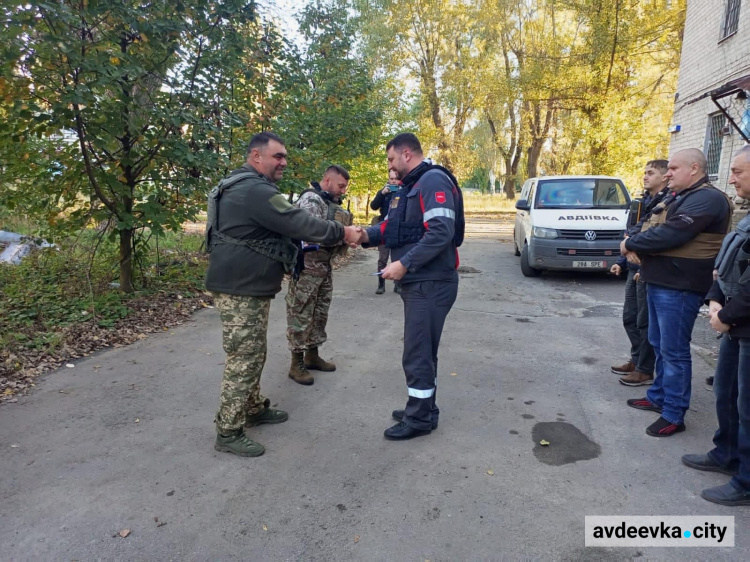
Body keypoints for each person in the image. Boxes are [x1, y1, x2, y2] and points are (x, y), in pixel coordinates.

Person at [205, 132, 361, 457]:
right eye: (278, 156)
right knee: (244, 358)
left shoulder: (241, 185)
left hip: (245, 284)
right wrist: (342, 232)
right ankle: (228, 431)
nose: (284, 162)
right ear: (256, 156)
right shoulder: (255, 190)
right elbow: (298, 222)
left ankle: (252, 408)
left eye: (285, 156)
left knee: (254, 352)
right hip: (240, 287)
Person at [356, 133, 462, 440]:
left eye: (390, 159)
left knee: (417, 352)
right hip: (420, 282)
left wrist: (404, 263)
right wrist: (364, 235)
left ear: (406, 154)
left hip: (431, 282)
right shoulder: (410, 187)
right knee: (423, 351)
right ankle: (424, 407)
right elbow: (393, 227)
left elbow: (441, 231)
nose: (389, 166)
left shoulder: (431, 182)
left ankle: (418, 419)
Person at [621, 148, 732, 437]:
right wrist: (631, 240)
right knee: (658, 343)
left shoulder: (707, 198)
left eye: (673, 168)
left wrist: (632, 244)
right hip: (661, 281)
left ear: (694, 168)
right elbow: (645, 226)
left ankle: (673, 413)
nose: (668, 173)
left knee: (674, 351)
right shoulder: (678, 196)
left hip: (680, 287)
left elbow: (670, 234)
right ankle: (658, 396)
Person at [682, 146, 750, 505]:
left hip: (743, 323)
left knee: (749, 406)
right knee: (726, 393)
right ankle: (726, 454)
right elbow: (726, 266)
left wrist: (726, 315)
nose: (731, 177)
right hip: (734, 323)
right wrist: (715, 298)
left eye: (738, 171)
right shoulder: (747, 216)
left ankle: (747, 481)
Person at [285, 165, 352, 385]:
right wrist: (342, 235)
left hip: (323, 268)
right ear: (327, 180)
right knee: (301, 314)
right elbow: (309, 233)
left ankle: (312, 355)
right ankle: (297, 363)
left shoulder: (325, 202)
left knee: (319, 313)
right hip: (307, 269)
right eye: (340, 185)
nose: (343, 191)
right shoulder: (311, 201)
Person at [610, 160, 670, 386]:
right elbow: (633, 233)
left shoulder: (667, 202)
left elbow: (660, 237)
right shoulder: (644, 201)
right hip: (633, 268)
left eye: (651, 173)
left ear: (664, 177)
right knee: (630, 318)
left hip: (646, 270)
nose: (645, 177)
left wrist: (643, 263)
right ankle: (636, 360)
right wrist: (622, 259)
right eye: (644, 172)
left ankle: (645, 369)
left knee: (645, 323)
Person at [370, 170, 402, 294]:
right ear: (388, 179)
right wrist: (382, 194)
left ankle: (397, 284)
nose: (393, 181)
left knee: (398, 258)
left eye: (396, 179)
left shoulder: (404, 191)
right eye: (391, 179)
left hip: (398, 229)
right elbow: (373, 206)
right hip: (384, 228)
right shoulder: (384, 192)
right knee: (383, 258)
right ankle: (381, 284)